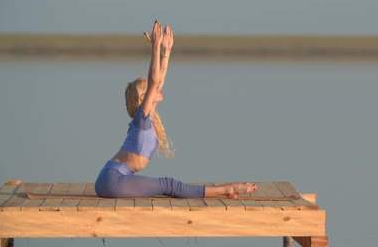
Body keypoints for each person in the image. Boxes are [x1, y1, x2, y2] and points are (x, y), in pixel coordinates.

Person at [95, 20, 257, 199]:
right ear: (143, 98)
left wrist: (167, 51)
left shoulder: (148, 117)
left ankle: (227, 189)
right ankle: (228, 189)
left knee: (168, 185)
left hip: (112, 178)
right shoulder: (141, 118)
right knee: (168, 185)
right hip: (113, 180)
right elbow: (155, 80)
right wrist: (155, 47)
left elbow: (159, 78)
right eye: (149, 88)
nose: (156, 87)